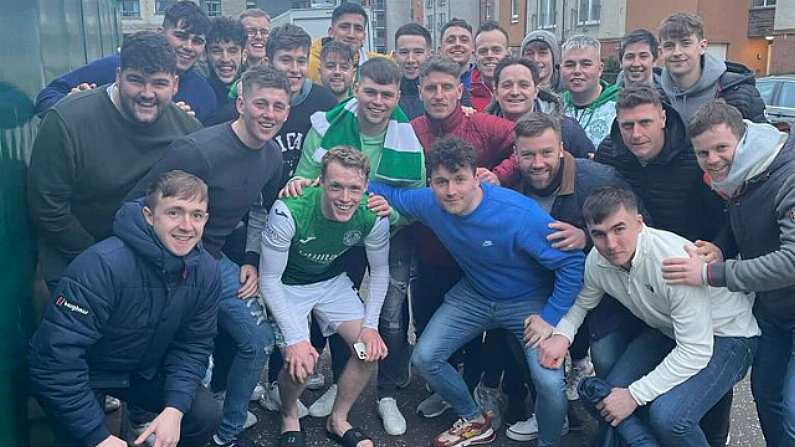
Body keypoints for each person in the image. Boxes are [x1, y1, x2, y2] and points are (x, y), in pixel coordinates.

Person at [369, 137, 585, 447]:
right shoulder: (431, 202)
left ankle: (549, 441)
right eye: (441, 181)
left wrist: (550, 317)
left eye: (459, 179)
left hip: (528, 301)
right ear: (431, 182)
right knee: (425, 357)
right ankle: (473, 418)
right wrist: (314, 182)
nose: (451, 190)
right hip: (476, 294)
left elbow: (573, 264)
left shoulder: (517, 214)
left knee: (549, 381)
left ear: (476, 177)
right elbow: (387, 192)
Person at [128, 65, 290, 447]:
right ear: (240, 104)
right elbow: (137, 206)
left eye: (279, 107)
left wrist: (250, 257)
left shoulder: (272, 158)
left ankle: (226, 434)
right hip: (169, 264)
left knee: (257, 342)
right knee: (189, 362)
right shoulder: (198, 150)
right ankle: (169, 431)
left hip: (215, 261)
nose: (269, 114)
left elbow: (259, 211)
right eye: (261, 104)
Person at [531, 186, 759, 447]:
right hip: (670, 330)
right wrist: (562, 334)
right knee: (602, 399)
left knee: (670, 419)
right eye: (599, 234)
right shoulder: (598, 259)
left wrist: (633, 396)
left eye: (619, 229)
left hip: (728, 335)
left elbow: (695, 350)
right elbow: (584, 301)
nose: (611, 244)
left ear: (639, 224)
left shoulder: (671, 262)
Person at [29, 170, 222, 447]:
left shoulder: (206, 271)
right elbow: (54, 361)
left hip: (142, 370)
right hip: (88, 373)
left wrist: (174, 409)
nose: (186, 225)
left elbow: (194, 344)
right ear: (148, 215)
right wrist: (98, 437)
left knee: (204, 414)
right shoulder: (102, 265)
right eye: (174, 212)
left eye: (197, 215)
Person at [286, 57, 426, 436]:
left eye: (386, 94)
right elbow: (304, 175)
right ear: (356, 88)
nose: (377, 101)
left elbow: (416, 200)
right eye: (370, 91)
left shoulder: (407, 135)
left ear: (398, 94)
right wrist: (299, 185)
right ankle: (339, 382)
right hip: (339, 228)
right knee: (337, 311)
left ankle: (387, 393)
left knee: (392, 317)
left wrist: (393, 211)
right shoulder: (327, 125)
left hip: (387, 230)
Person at [594, 85, 734, 447]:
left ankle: (713, 436)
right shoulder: (612, 153)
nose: (636, 134)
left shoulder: (693, 156)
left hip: (691, 269)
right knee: (622, 366)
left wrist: (719, 247)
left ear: (663, 117)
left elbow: (730, 211)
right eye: (627, 125)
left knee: (697, 390)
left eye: (644, 122)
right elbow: (601, 204)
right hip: (637, 269)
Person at [662, 100, 795, 446]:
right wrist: (722, 246)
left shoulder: (787, 176)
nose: (713, 159)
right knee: (766, 397)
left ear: (744, 137)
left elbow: (792, 261)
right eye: (703, 153)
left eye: (721, 147)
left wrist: (713, 273)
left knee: (793, 410)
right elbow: (743, 223)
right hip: (772, 310)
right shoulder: (743, 174)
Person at [502, 113, 640, 442]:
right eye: (528, 154)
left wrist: (587, 237)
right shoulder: (512, 188)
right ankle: (550, 411)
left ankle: (617, 428)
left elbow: (640, 225)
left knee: (606, 358)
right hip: (544, 289)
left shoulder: (597, 178)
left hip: (603, 291)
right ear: (516, 155)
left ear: (562, 149)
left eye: (546, 152)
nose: (537, 162)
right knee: (519, 334)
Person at [27, 31, 201, 291]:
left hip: (149, 261)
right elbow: (47, 206)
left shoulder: (187, 129)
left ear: (175, 85)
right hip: (75, 257)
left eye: (159, 83)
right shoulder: (67, 120)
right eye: (136, 80)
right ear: (118, 76)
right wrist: (101, 258)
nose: (147, 93)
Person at [260, 147, 389, 447]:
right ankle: (289, 416)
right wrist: (295, 338)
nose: (345, 198)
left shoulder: (373, 214)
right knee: (302, 361)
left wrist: (370, 327)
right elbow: (268, 279)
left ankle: (338, 419)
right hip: (287, 284)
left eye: (354, 188)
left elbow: (380, 273)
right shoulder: (289, 209)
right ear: (320, 182)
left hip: (330, 282)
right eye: (336, 186)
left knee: (366, 350)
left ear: (366, 187)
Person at [34, 1, 216, 123]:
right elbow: (46, 97)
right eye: (180, 36)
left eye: (197, 41)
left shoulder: (204, 94)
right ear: (161, 32)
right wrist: (71, 104)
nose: (188, 47)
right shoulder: (118, 66)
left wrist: (186, 126)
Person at [657, 12, 766, 124]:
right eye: (669, 46)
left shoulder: (739, 92)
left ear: (702, 47)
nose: (677, 52)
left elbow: (766, 138)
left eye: (685, 44)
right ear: (660, 51)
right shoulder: (655, 95)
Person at [486, 56, 594, 159]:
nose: (515, 92)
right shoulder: (481, 132)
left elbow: (591, 169)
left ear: (535, 91)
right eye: (507, 85)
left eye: (523, 85)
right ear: (496, 92)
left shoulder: (566, 130)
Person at [560, 35, 621, 147]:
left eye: (586, 64)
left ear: (600, 69)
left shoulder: (620, 106)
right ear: (561, 69)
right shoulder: (555, 107)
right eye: (570, 65)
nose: (577, 71)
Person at [307, 2, 379, 84]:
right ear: (331, 32)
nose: (351, 35)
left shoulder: (376, 66)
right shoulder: (308, 65)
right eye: (344, 27)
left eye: (358, 29)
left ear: (364, 37)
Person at [204, 16, 246, 125]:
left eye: (232, 51)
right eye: (217, 51)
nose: (225, 59)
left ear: (244, 54)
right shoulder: (198, 92)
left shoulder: (256, 88)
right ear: (205, 54)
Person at [394, 23, 432, 120]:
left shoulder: (443, 93)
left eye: (418, 52)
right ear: (395, 56)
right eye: (404, 52)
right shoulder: (386, 93)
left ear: (429, 55)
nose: (410, 59)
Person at [470, 21, 509, 111]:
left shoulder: (520, 92)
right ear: (475, 55)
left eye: (496, 50)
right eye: (483, 51)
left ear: (507, 53)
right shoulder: (463, 93)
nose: (489, 55)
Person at [439, 18, 475, 107]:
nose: (457, 44)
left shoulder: (482, 81)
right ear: (440, 50)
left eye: (464, 40)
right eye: (451, 41)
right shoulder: (431, 82)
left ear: (473, 48)